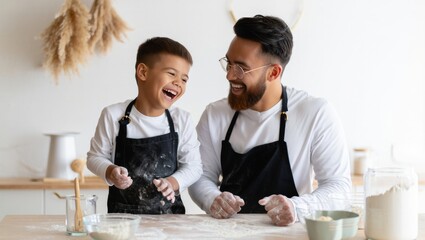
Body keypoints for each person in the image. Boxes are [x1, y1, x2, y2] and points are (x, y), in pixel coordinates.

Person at [188, 15, 351, 226]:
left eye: (241, 68)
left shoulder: (315, 113)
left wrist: (297, 207)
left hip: (289, 235)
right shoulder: (215, 114)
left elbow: (339, 187)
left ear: (274, 72)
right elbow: (200, 176)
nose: (229, 76)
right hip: (228, 233)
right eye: (229, 64)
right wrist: (212, 198)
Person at [87, 37, 203, 214]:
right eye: (172, 74)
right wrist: (110, 171)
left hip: (170, 221)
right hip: (124, 220)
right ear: (143, 72)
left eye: (184, 79)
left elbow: (194, 167)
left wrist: (172, 182)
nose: (178, 83)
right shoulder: (113, 115)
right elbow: (94, 158)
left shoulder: (182, 120)